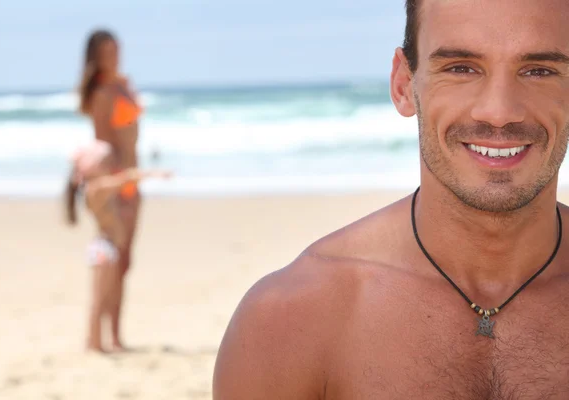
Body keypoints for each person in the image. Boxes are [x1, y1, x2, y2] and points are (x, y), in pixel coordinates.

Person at [213, 0, 569, 397]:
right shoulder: (292, 319)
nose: (499, 112)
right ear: (403, 85)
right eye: (460, 68)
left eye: (539, 71)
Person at [64, 140, 171, 352]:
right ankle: (93, 343)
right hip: (103, 248)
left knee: (106, 297)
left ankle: (100, 342)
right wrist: (154, 174)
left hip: (109, 248)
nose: (107, 168)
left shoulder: (98, 187)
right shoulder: (96, 188)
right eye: (104, 164)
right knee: (99, 299)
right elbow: (125, 179)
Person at [77, 29, 143, 351]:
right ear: (95, 57)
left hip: (132, 180)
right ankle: (100, 336)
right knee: (112, 261)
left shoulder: (122, 86)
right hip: (118, 182)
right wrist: (115, 183)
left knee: (125, 262)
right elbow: (104, 145)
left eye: (116, 50)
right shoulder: (103, 92)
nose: (113, 56)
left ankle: (115, 335)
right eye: (106, 52)